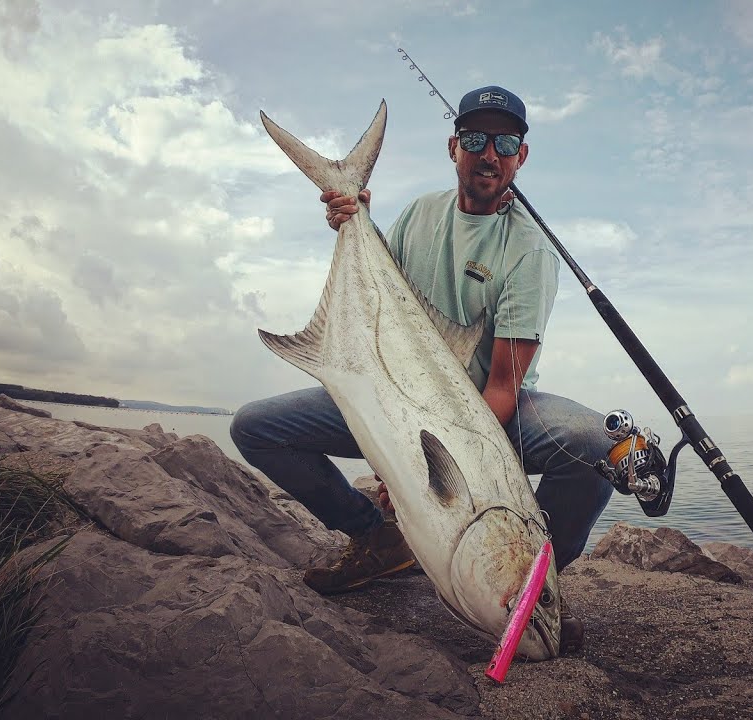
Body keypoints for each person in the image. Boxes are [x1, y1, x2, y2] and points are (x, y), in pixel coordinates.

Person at [231, 86, 613, 653]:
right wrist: (351, 216)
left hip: (492, 412)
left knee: (596, 443)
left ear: (521, 156)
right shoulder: (420, 213)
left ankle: (535, 578)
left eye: (506, 142)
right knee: (254, 428)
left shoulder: (529, 251)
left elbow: (505, 383)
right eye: (477, 140)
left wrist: (413, 459)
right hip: (391, 395)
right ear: (454, 147)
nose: (491, 153)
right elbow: (387, 296)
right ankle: (377, 539)